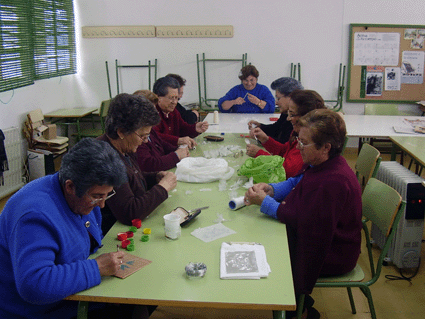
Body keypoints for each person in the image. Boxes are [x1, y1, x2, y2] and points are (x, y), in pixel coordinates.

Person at [0, 138, 153, 318]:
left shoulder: (77, 197)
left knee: (143, 300)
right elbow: (34, 285)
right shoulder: (35, 215)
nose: (102, 205)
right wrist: (96, 268)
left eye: (107, 195)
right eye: (97, 196)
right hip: (38, 311)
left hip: (71, 297)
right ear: (70, 186)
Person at [244, 109, 362, 319]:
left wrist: (266, 204)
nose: (299, 146)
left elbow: (307, 224)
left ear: (326, 147)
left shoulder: (333, 181)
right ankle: (296, 303)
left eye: (304, 143)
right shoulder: (323, 163)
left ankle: (298, 308)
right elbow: (297, 183)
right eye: (299, 139)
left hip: (335, 253)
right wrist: (272, 190)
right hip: (324, 238)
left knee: (273, 256)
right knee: (267, 241)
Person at [98, 93, 177, 235]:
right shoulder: (105, 159)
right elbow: (130, 212)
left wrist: (155, 177)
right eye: (143, 136)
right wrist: (162, 188)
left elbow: (131, 179)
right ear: (121, 132)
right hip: (109, 232)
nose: (146, 141)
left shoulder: (125, 147)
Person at [246, 90, 326, 178]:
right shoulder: (297, 133)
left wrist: (260, 153)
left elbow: (286, 170)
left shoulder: (309, 141)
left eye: (292, 114)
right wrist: (265, 140)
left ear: (306, 116)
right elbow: (285, 151)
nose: (288, 118)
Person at [133, 89, 190, 172]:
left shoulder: (150, 130)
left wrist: (179, 149)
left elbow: (162, 144)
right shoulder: (136, 137)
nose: (155, 113)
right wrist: (176, 155)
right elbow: (150, 164)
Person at [152, 76, 209, 149]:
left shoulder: (173, 112)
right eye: (171, 98)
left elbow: (182, 128)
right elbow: (155, 137)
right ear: (158, 97)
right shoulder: (151, 114)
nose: (175, 102)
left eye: (176, 98)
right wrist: (178, 140)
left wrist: (195, 128)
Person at [248, 77, 304, 144]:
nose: (276, 102)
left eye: (278, 98)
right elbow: (276, 128)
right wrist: (260, 126)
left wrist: (262, 139)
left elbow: (284, 145)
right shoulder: (286, 112)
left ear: (290, 97)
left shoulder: (298, 119)